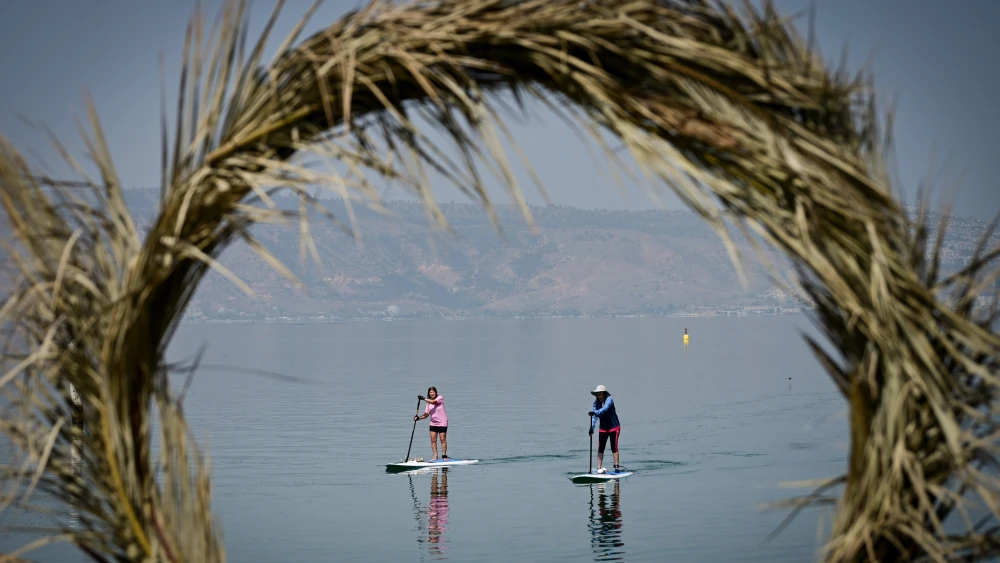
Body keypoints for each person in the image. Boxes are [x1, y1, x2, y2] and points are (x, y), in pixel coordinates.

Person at [588, 384, 621, 473]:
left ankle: (616, 468)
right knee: (600, 447)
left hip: (614, 427)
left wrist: (595, 413)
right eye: (597, 393)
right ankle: (599, 468)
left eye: (599, 393)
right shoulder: (596, 403)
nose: (598, 395)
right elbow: (594, 417)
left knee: (614, 447)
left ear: (603, 393)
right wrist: (591, 428)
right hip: (603, 427)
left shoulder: (609, 399)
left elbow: (605, 409)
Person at [415, 387, 448, 460]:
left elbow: (434, 402)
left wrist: (423, 398)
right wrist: (419, 418)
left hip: (442, 422)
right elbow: (426, 414)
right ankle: (435, 456)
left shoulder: (440, 398)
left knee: (442, 439)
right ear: (429, 394)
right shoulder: (428, 404)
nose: (432, 393)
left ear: (436, 393)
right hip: (433, 423)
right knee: (433, 440)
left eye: (433, 392)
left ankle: (444, 456)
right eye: (430, 392)